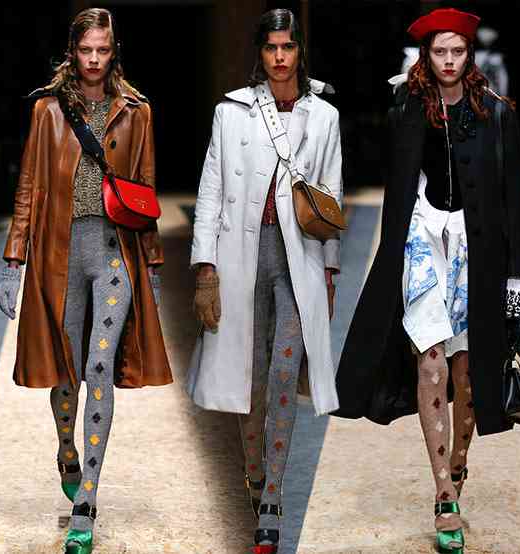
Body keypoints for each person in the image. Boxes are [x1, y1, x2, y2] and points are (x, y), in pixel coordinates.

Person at [333, 8, 520, 553]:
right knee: (431, 360)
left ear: (470, 54)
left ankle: (458, 466)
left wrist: (518, 275)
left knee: (467, 371)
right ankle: (444, 492)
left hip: (476, 246)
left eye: (457, 52)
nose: (448, 61)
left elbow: (514, 202)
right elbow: (396, 180)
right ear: (426, 55)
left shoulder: (496, 113)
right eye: (439, 52)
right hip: (421, 237)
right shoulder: (407, 106)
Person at [0, 8, 171, 554]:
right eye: (86, 49)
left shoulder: (137, 111)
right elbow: (28, 185)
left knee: (99, 367)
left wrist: (153, 267)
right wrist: (13, 262)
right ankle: (68, 452)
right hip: (59, 253)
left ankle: (86, 502)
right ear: (72, 51)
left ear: (114, 51)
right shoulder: (47, 110)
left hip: (114, 253)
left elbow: (146, 191)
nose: (95, 59)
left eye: (103, 49)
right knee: (67, 369)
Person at [186, 8, 342, 553]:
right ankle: (256, 475)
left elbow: (331, 198)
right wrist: (205, 269)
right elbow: (210, 190)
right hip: (240, 260)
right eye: (272, 47)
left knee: (282, 376)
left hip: (299, 262)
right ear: (260, 51)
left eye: (288, 47)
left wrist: (329, 273)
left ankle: (273, 497)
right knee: (248, 379)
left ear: (300, 51)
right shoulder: (230, 113)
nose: (280, 57)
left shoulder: (324, 116)